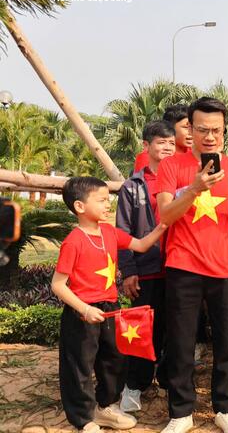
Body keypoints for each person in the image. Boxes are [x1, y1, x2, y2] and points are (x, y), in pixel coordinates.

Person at [157, 97, 228, 433]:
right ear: (189, 130)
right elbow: (166, 215)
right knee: (181, 342)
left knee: (227, 343)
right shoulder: (171, 166)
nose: (209, 136)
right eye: (202, 129)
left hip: (227, 267)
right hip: (184, 265)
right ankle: (181, 413)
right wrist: (194, 188)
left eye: (216, 130)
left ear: (223, 131)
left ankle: (225, 408)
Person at [51, 177, 166, 433]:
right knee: (79, 366)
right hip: (82, 313)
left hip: (110, 308)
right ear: (80, 206)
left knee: (114, 359)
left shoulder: (110, 232)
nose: (108, 204)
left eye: (108, 199)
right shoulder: (74, 240)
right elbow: (58, 285)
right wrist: (84, 309)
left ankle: (106, 407)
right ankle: (83, 419)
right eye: (101, 200)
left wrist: (164, 225)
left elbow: (141, 245)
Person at [117, 121, 176, 412]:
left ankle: (166, 379)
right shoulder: (132, 186)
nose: (167, 148)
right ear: (146, 146)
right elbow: (122, 230)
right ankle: (135, 384)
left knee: (174, 329)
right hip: (146, 269)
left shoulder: (182, 182)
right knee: (141, 331)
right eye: (161, 142)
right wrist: (129, 270)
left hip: (179, 268)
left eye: (172, 143)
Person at [134, 104, 193, 173]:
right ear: (169, 128)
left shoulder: (194, 153)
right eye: (186, 127)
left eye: (194, 127)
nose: (192, 131)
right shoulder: (149, 157)